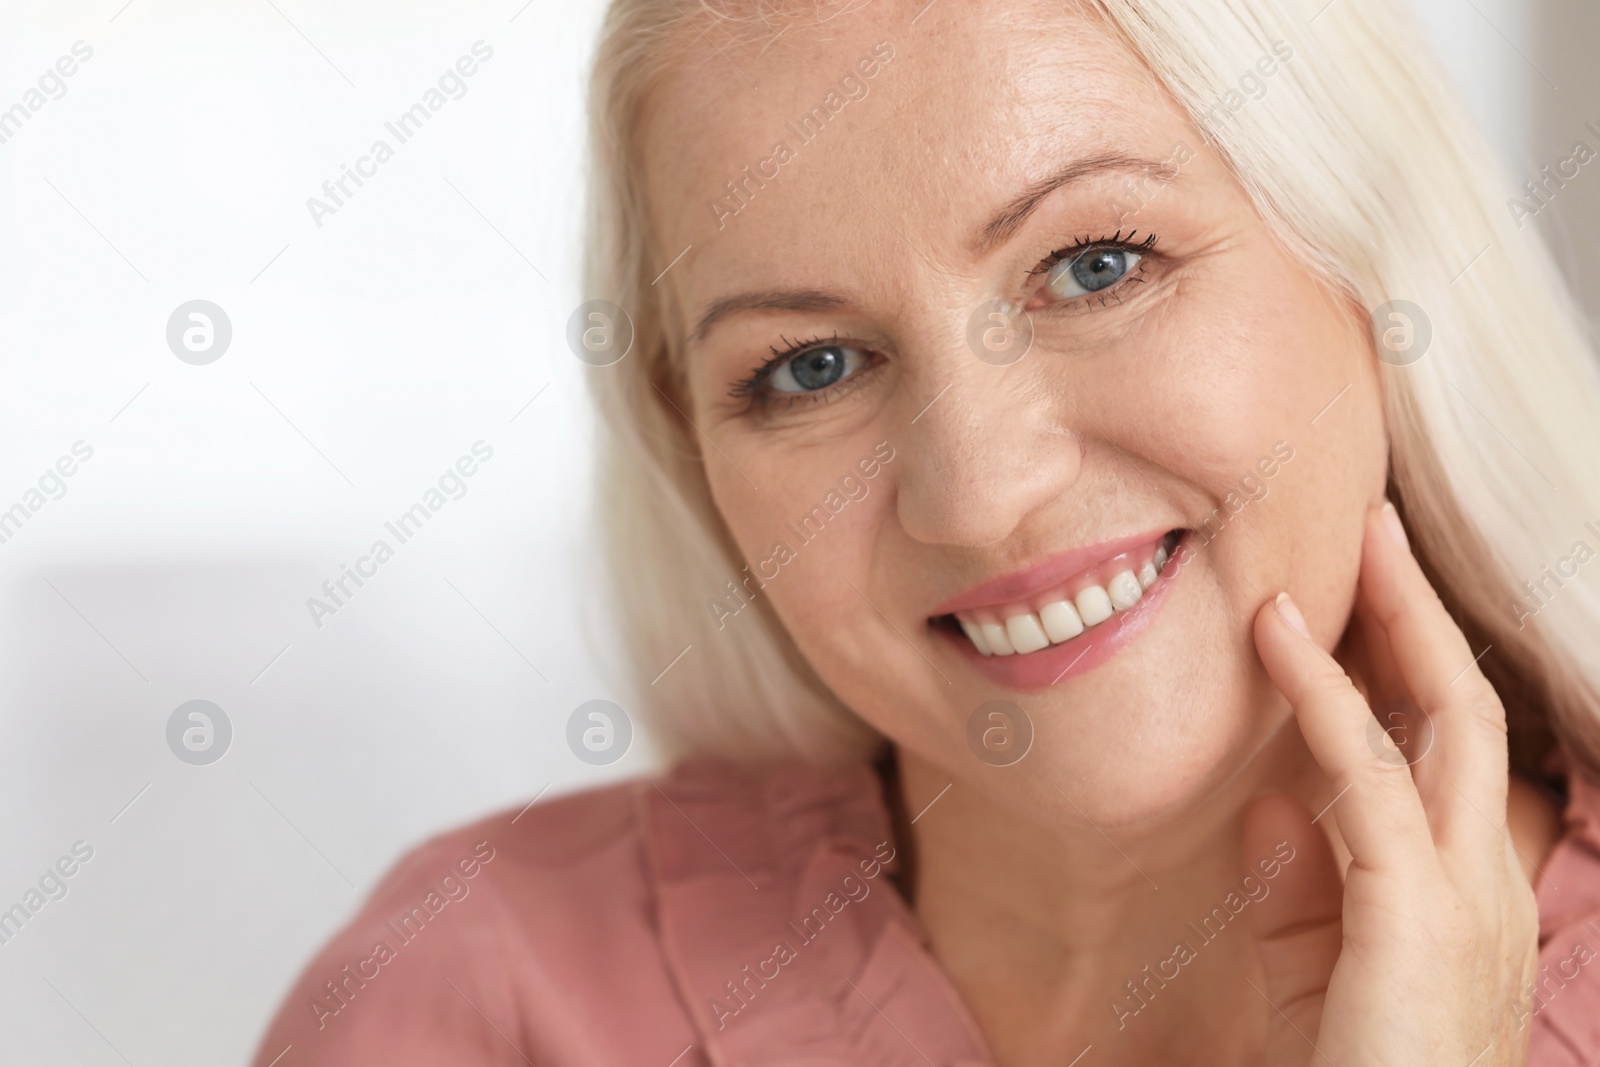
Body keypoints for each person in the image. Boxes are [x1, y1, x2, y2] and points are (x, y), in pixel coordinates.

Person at [252, 0, 1600, 1063]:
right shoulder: (476, 999)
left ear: (1375, 270)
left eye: (1096, 266)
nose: (979, 494)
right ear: (694, 455)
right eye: (813, 366)